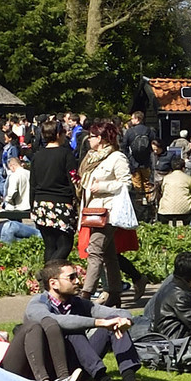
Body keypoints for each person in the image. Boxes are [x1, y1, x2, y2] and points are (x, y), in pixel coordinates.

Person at [23, 264, 152, 381]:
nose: (78, 281)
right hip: (56, 369)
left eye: (77, 276)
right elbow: (57, 321)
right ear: (53, 283)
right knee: (74, 331)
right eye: (71, 278)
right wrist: (99, 322)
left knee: (113, 322)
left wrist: (124, 321)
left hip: (80, 362)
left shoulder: (76, 303)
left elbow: (120, 313)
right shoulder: (37, 304)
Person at [76, 121, 146, 307]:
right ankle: (115, 295)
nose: (88, 140)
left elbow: (126, 183)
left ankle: (85, 295)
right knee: (109, 255)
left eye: (91, 136)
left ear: (100, 138)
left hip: (108, 212)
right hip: (92, 210)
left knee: (95, 252)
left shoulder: (117, 157)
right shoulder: (91, 157)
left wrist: (103, 186)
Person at [29, 120, 79, 266]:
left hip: (40, 203)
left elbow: (33, 183)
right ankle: (48, 272)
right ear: (58, 134)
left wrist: (32, 205)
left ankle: (48, 281)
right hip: (61, 203)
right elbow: (73, 180)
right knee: (65, 245)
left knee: (50, 246)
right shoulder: (66, 154)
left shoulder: (37, 156)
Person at [0, 150, 38, 242]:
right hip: (30, 204)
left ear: (12, 166)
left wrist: (6, 200)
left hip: (19, 205)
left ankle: (16, 237)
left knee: (11, 219)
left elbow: (12, 192)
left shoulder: (15, 175)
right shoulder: (29, 173)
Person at [121, 108, 154, 215]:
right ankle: (150, 205)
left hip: (134, 162)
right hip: (146, 162)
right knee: (147, 184)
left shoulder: (130, 132)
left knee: (137, 186)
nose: (131, 121)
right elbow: (153, 145)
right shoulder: (149, 131)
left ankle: (139, 209)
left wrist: (129, 158)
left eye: (132, 119)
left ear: (137, 119)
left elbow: (124, 147)